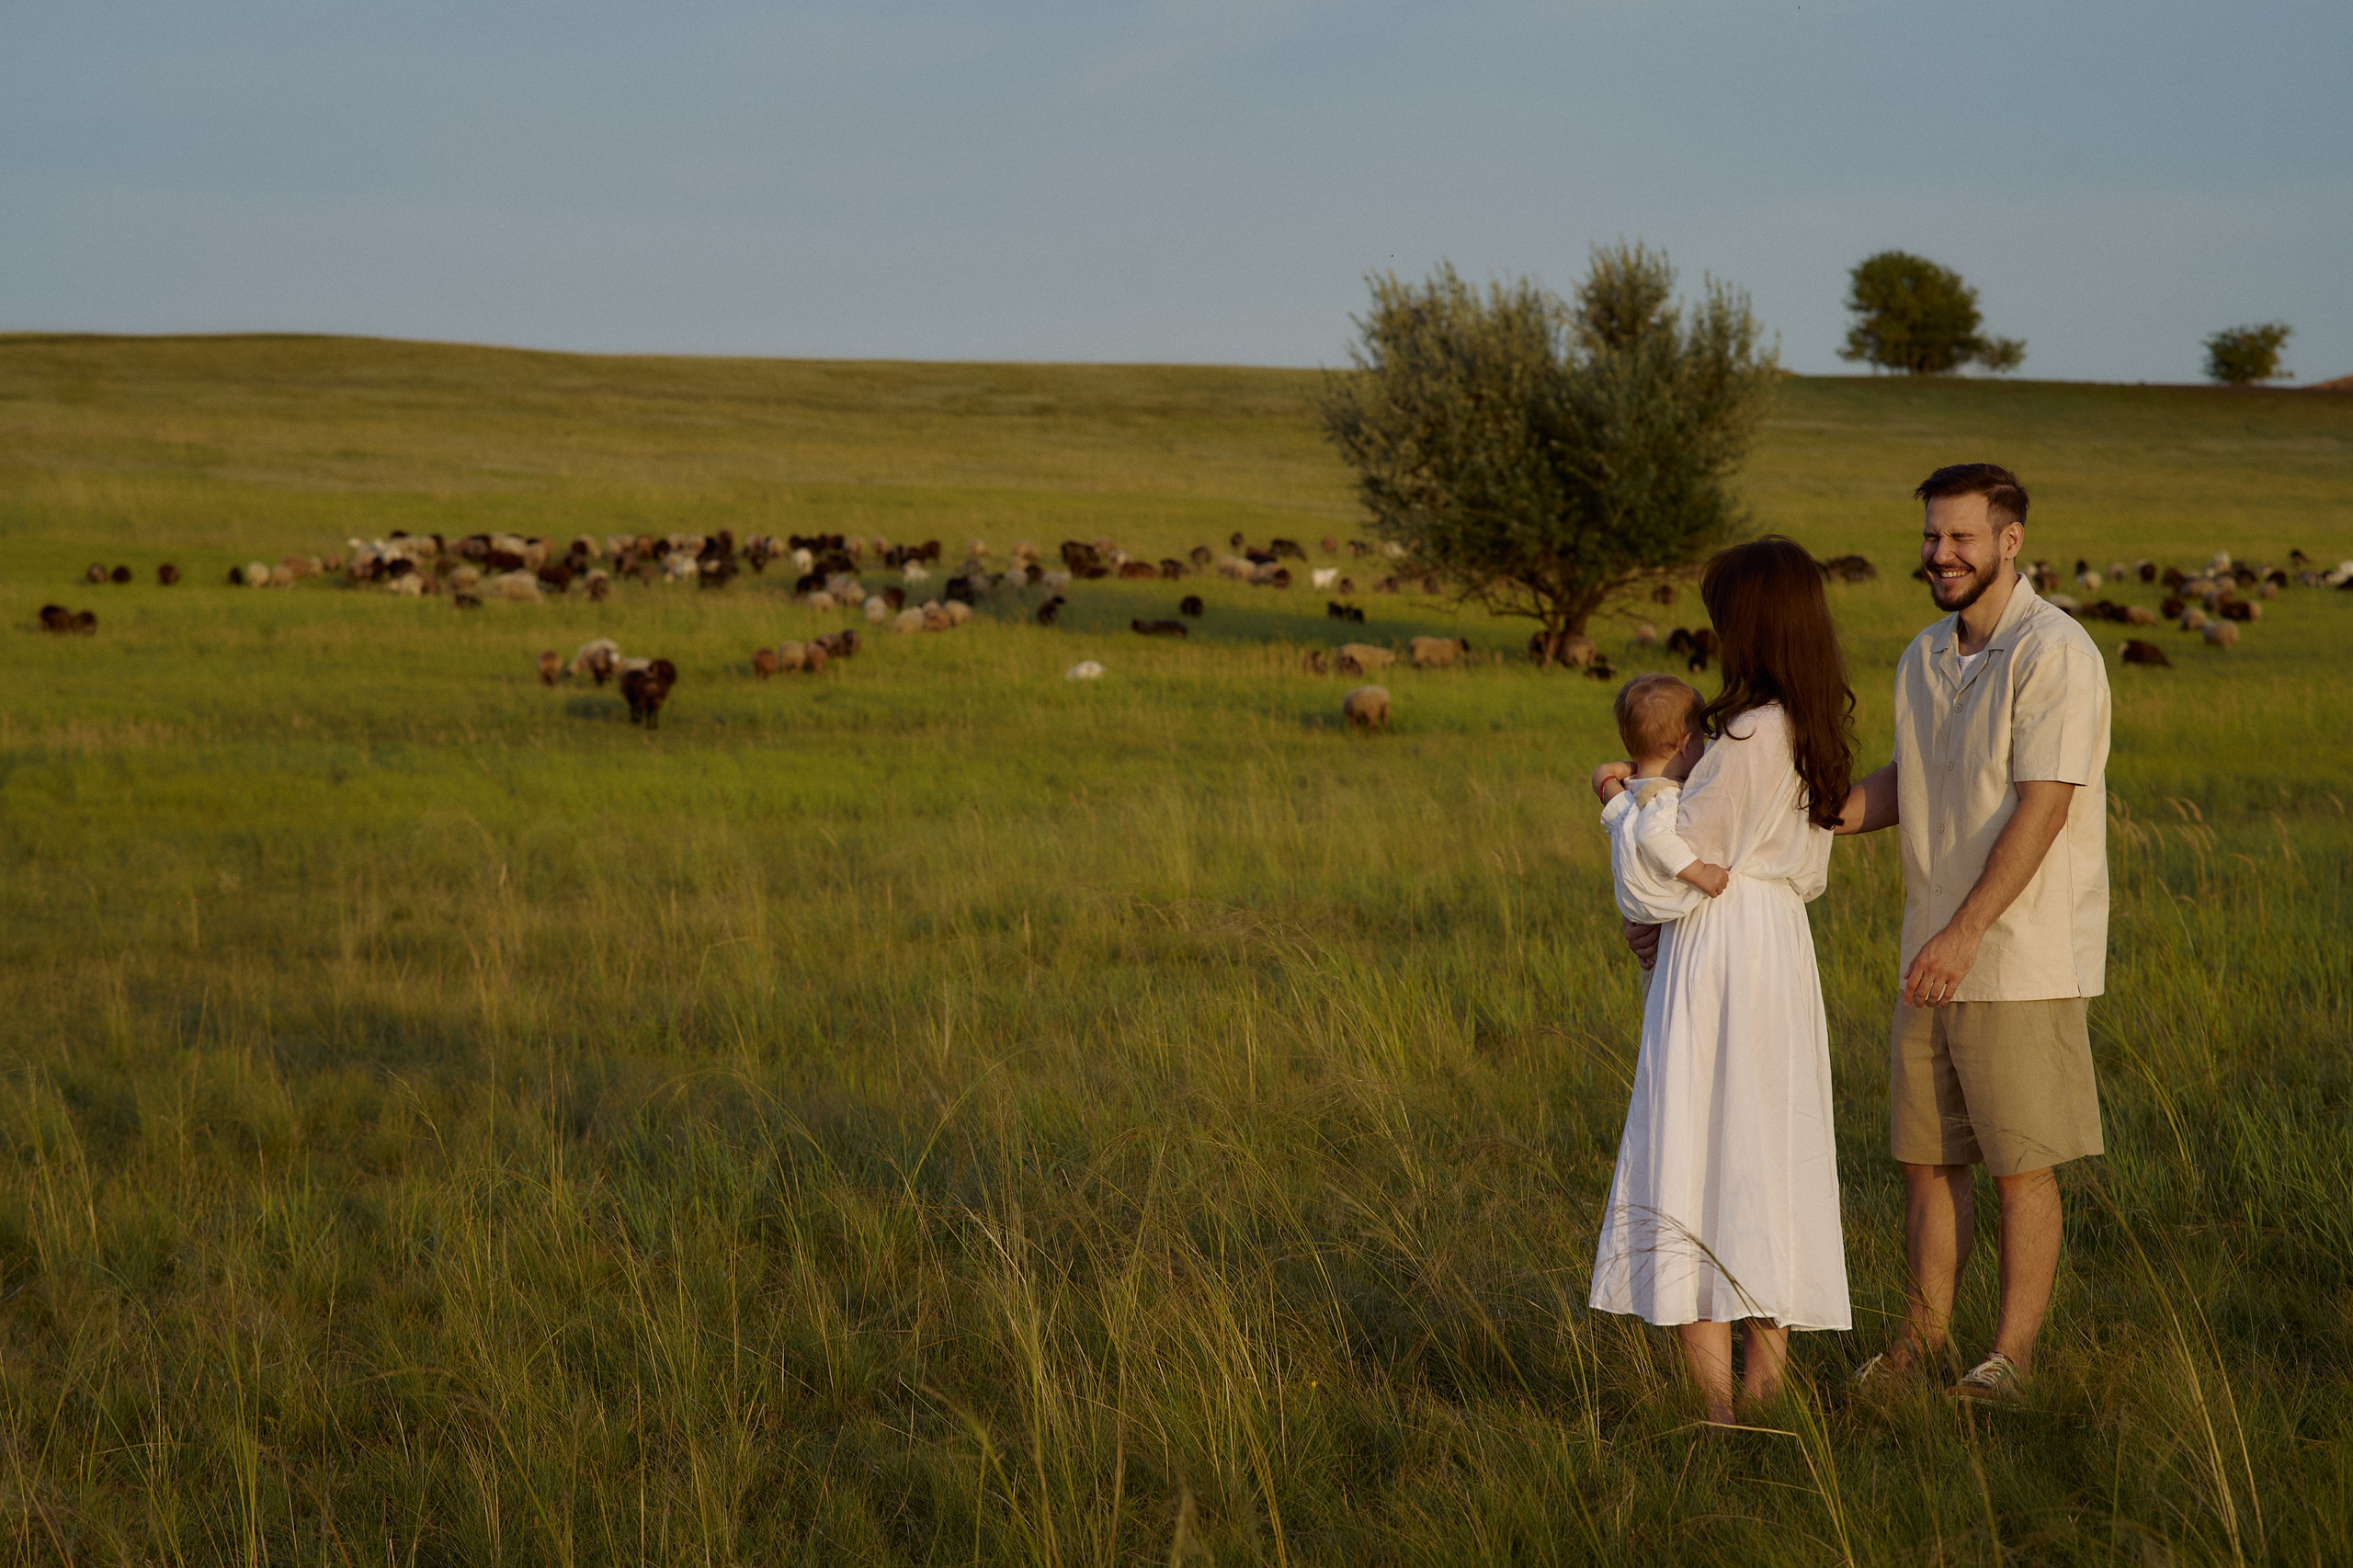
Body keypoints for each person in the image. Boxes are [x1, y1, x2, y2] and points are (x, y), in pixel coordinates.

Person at [1836, 462, 2110, 1403]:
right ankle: (1917, 1344)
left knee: (2018, 1166)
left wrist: (1964, 934)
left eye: (1959, 537)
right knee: (1926, 1160)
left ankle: (2009, 1359)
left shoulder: (2054, 651)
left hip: (2014, 956)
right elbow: (1908, 778)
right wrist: (1811, 812)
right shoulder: (1921, 655)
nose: (1939, 554)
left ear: (2009, 540)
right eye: (1929, 537)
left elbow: (2041, 808)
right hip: (1929, 951)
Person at [1590, 537, 1856, 1426]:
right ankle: (1764, 1390)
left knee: (1697, 1152)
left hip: (1720, 948)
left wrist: (1620, 800)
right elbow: (1804, 867)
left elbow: (1660, 875)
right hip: (1779, 943)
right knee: (1766, 1154)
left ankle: (1716, 1408)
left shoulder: (1744, 732)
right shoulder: (1812, 725)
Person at [1595, 674, 1733, 946]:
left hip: (1645, 916)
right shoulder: (1665, 795)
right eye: (1702, 740)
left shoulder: (1631, 790)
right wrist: (1700, 872)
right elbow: (1652, 834)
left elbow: (1603, 780)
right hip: (1665, 911)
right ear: (1685, 743)